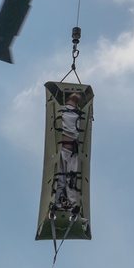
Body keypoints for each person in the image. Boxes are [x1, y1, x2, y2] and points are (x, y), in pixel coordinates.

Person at [52, 89, 86, 218]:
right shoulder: (61, 110)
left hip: (72, 151)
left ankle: (73, 206)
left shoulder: (78, 113)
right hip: (62, 150)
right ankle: (56, 204)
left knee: (71, 179)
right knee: (60, 179)